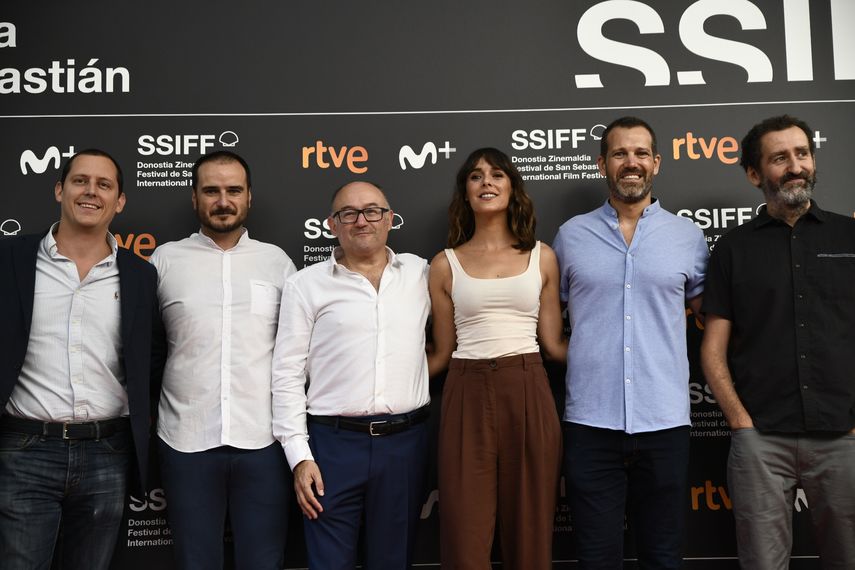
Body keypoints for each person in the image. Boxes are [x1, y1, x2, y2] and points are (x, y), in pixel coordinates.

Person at [552, 117, 708, 569]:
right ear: (603, 163)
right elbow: (547, 319)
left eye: (641, 153)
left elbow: (710, 316)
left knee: (663, 556)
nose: (631, 162)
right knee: (597, 557)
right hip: (590, 423)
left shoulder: (687, 237)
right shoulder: (571, 236)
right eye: (620, 153)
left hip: (664, 422)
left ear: (656, 163)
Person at [701, 115, 855, 569]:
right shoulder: (732, 249)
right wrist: (742, 425)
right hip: (761, 441)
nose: (795, 166)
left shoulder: (850, 237)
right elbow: (712, 350)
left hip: (843, 437)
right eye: (780, 158)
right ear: (754, 173)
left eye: (802, 154)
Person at [0, 149, 161, 569]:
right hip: (24, 448)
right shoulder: (10, 259)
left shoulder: (140, 274)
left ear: (120, 201)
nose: (91, 191)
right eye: (80, 181)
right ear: (59, 189)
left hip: (107, 453)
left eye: (104, 185)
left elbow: (151, 362)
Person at [272, 181, 431, 569]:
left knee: (394, 561)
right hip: (331, 447)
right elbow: (287, 374)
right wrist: (299, 457)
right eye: (349, 213)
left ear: (390, 219)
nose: (362, 220)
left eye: (372, 210)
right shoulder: (304, 285)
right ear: (332, 224)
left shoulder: (421, 273)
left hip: (404, 445)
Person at [151, 150, 296, 569]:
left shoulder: (278, 263)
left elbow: (295, 353)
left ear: (249, 197)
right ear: (194, 198)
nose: (223, 200)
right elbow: (147, 348)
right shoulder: (164, 260)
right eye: (211, 190)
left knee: (264, 562)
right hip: (185, 440)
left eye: (233, 190)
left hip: (264, 441)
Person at [428, 147, 565, 569]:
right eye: (475, 176)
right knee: (464, 536)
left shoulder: (542, 256)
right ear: (465, 193)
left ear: (512, 188)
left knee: (530, 531)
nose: (486, 182)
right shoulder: (444, 264)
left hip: (527, 384)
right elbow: (441, 354)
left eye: (497, 174)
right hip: (465, 390)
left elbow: (555, 345)